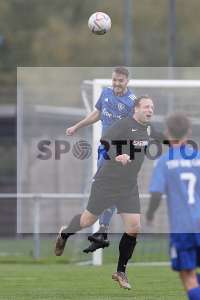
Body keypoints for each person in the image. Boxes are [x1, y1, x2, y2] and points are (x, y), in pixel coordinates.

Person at [55, 96, 160, 290]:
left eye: (152, 107)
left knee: (134, 227)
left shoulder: (149, 129)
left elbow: (162, 139)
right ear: (136, 109)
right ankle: (65, 232)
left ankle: (121, 271)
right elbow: (105, 142)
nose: (150, 110)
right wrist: (117, 155)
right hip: (107, 183)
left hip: (128, 186)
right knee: (87, 221)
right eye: (146, 107)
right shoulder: (124, 124)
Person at [146, 113, 200, 300]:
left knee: (187, 277)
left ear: (166, 132)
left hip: (182, 227)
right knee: (188, 271)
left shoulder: (164, 162)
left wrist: (149, 214)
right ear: (189, 132)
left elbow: (156, 193)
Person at [65, 66, 136, 252]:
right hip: (105, 149)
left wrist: (129, 152)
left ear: (127, 81)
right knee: (103, 187)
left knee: (110, 188)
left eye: (120, 80)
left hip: (120, 152)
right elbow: (97, 114)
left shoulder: (132, 102)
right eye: (114, 80)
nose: (117, 83)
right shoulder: (105, 93)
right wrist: (77, 126)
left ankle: (103, 229)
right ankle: (102, 230)